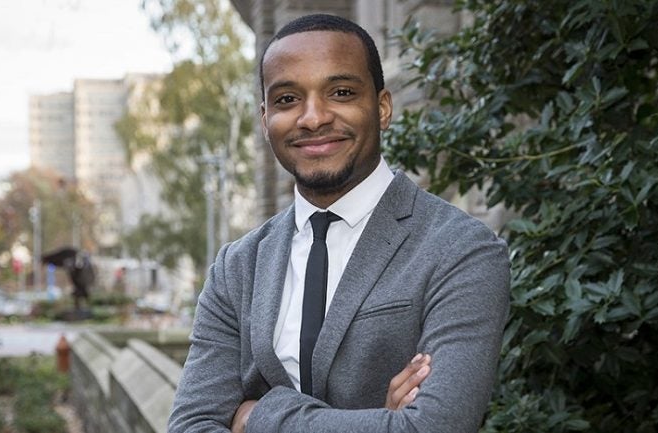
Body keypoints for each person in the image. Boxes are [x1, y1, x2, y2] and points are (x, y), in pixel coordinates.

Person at [168, 14, 510, 433]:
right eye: (287, 100)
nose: (312, 118)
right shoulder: (237, 267)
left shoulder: (461, 250)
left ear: (382, 108)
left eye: (341, 92)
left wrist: (255, 416)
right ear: (264, 120)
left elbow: (434, 427)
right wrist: (379, 421)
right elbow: (191, 425)